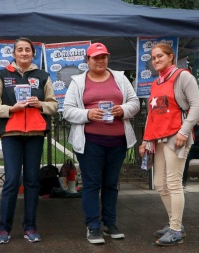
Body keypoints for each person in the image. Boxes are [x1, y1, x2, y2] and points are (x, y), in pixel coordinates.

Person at [63, 43, 140, 244]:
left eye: (103, 57)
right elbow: (67, 110)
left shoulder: (120, 78)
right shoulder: (78, 82)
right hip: (91, 142)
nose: (100, 61)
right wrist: (88, 114)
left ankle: (110, 224)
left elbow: (135, 103)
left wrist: (122, 109)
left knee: (111, 184)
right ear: (87, 60)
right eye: (95, 57)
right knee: (91, 184)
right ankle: (93, 226)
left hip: (117, 140)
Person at [0, 37, 58, 244]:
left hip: (35, 134)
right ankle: (3, 229)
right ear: (14, 53)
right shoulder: (1, 75)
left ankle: (30, 227)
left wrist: (40, 104)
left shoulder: (43, 76)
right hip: (11, 134)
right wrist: (11, 109)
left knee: (33, 182)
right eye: (20, 50)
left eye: (27, 50)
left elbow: (54, 105)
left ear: (33, 54)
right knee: (12, 180)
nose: (24, 53)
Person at [138, 43, 199, 246]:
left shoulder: (183, 76)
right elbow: (152, 114)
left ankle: (175, 229)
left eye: (160, 56)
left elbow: (197, 104)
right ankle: (175, 223)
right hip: (157, 138)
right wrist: (145, 140)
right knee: (160, 183)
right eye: (153, 57)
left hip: (176, 135)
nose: (156, 60)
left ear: (171, 57)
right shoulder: (155, 83)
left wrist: (184, 131)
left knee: (173, 183)